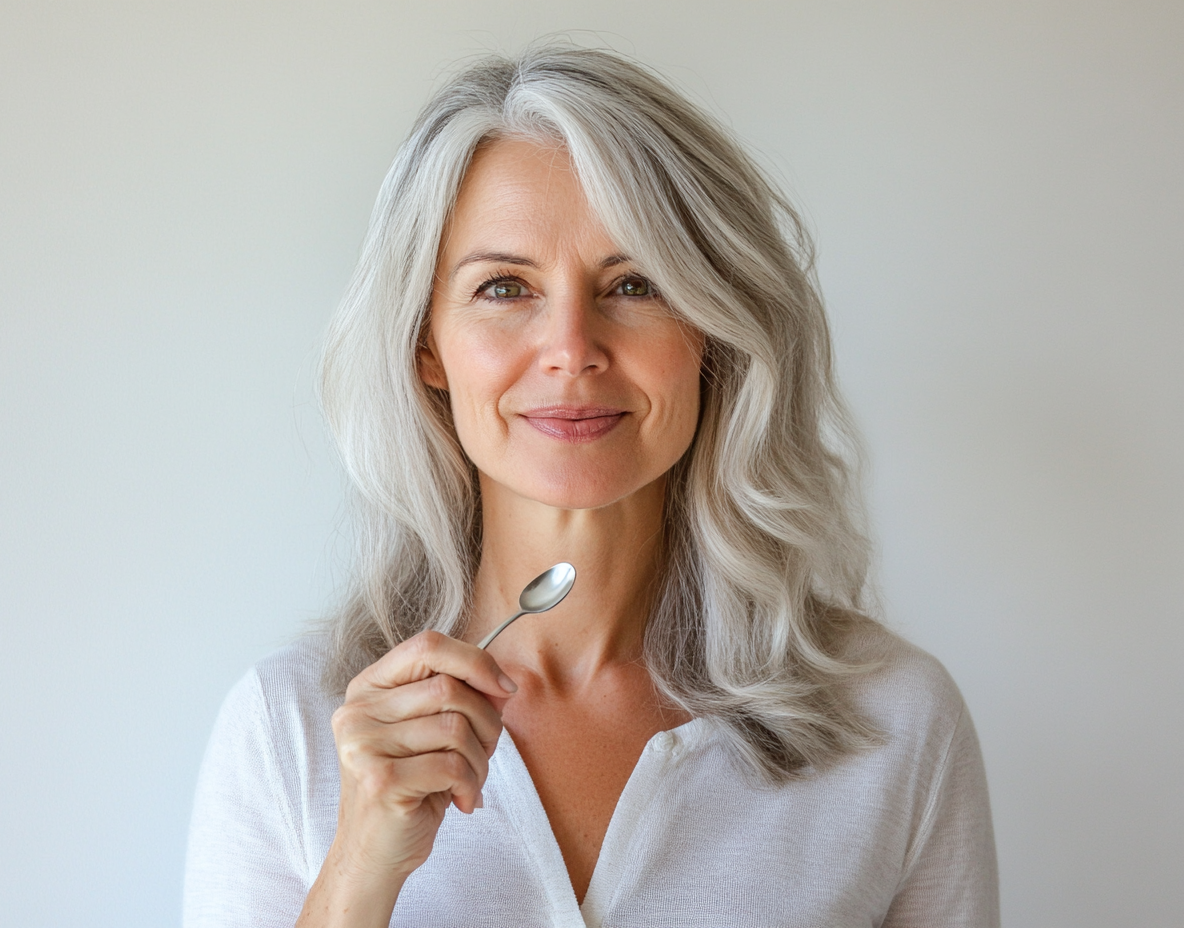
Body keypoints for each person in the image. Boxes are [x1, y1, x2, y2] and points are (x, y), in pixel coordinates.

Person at [183, 44, 998, 928]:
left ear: (713, 335)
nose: (572, 346)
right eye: (504, 287)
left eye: (635, 284)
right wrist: (358, 873)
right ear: (428, 346)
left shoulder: (896, 723)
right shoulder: (291, 729)